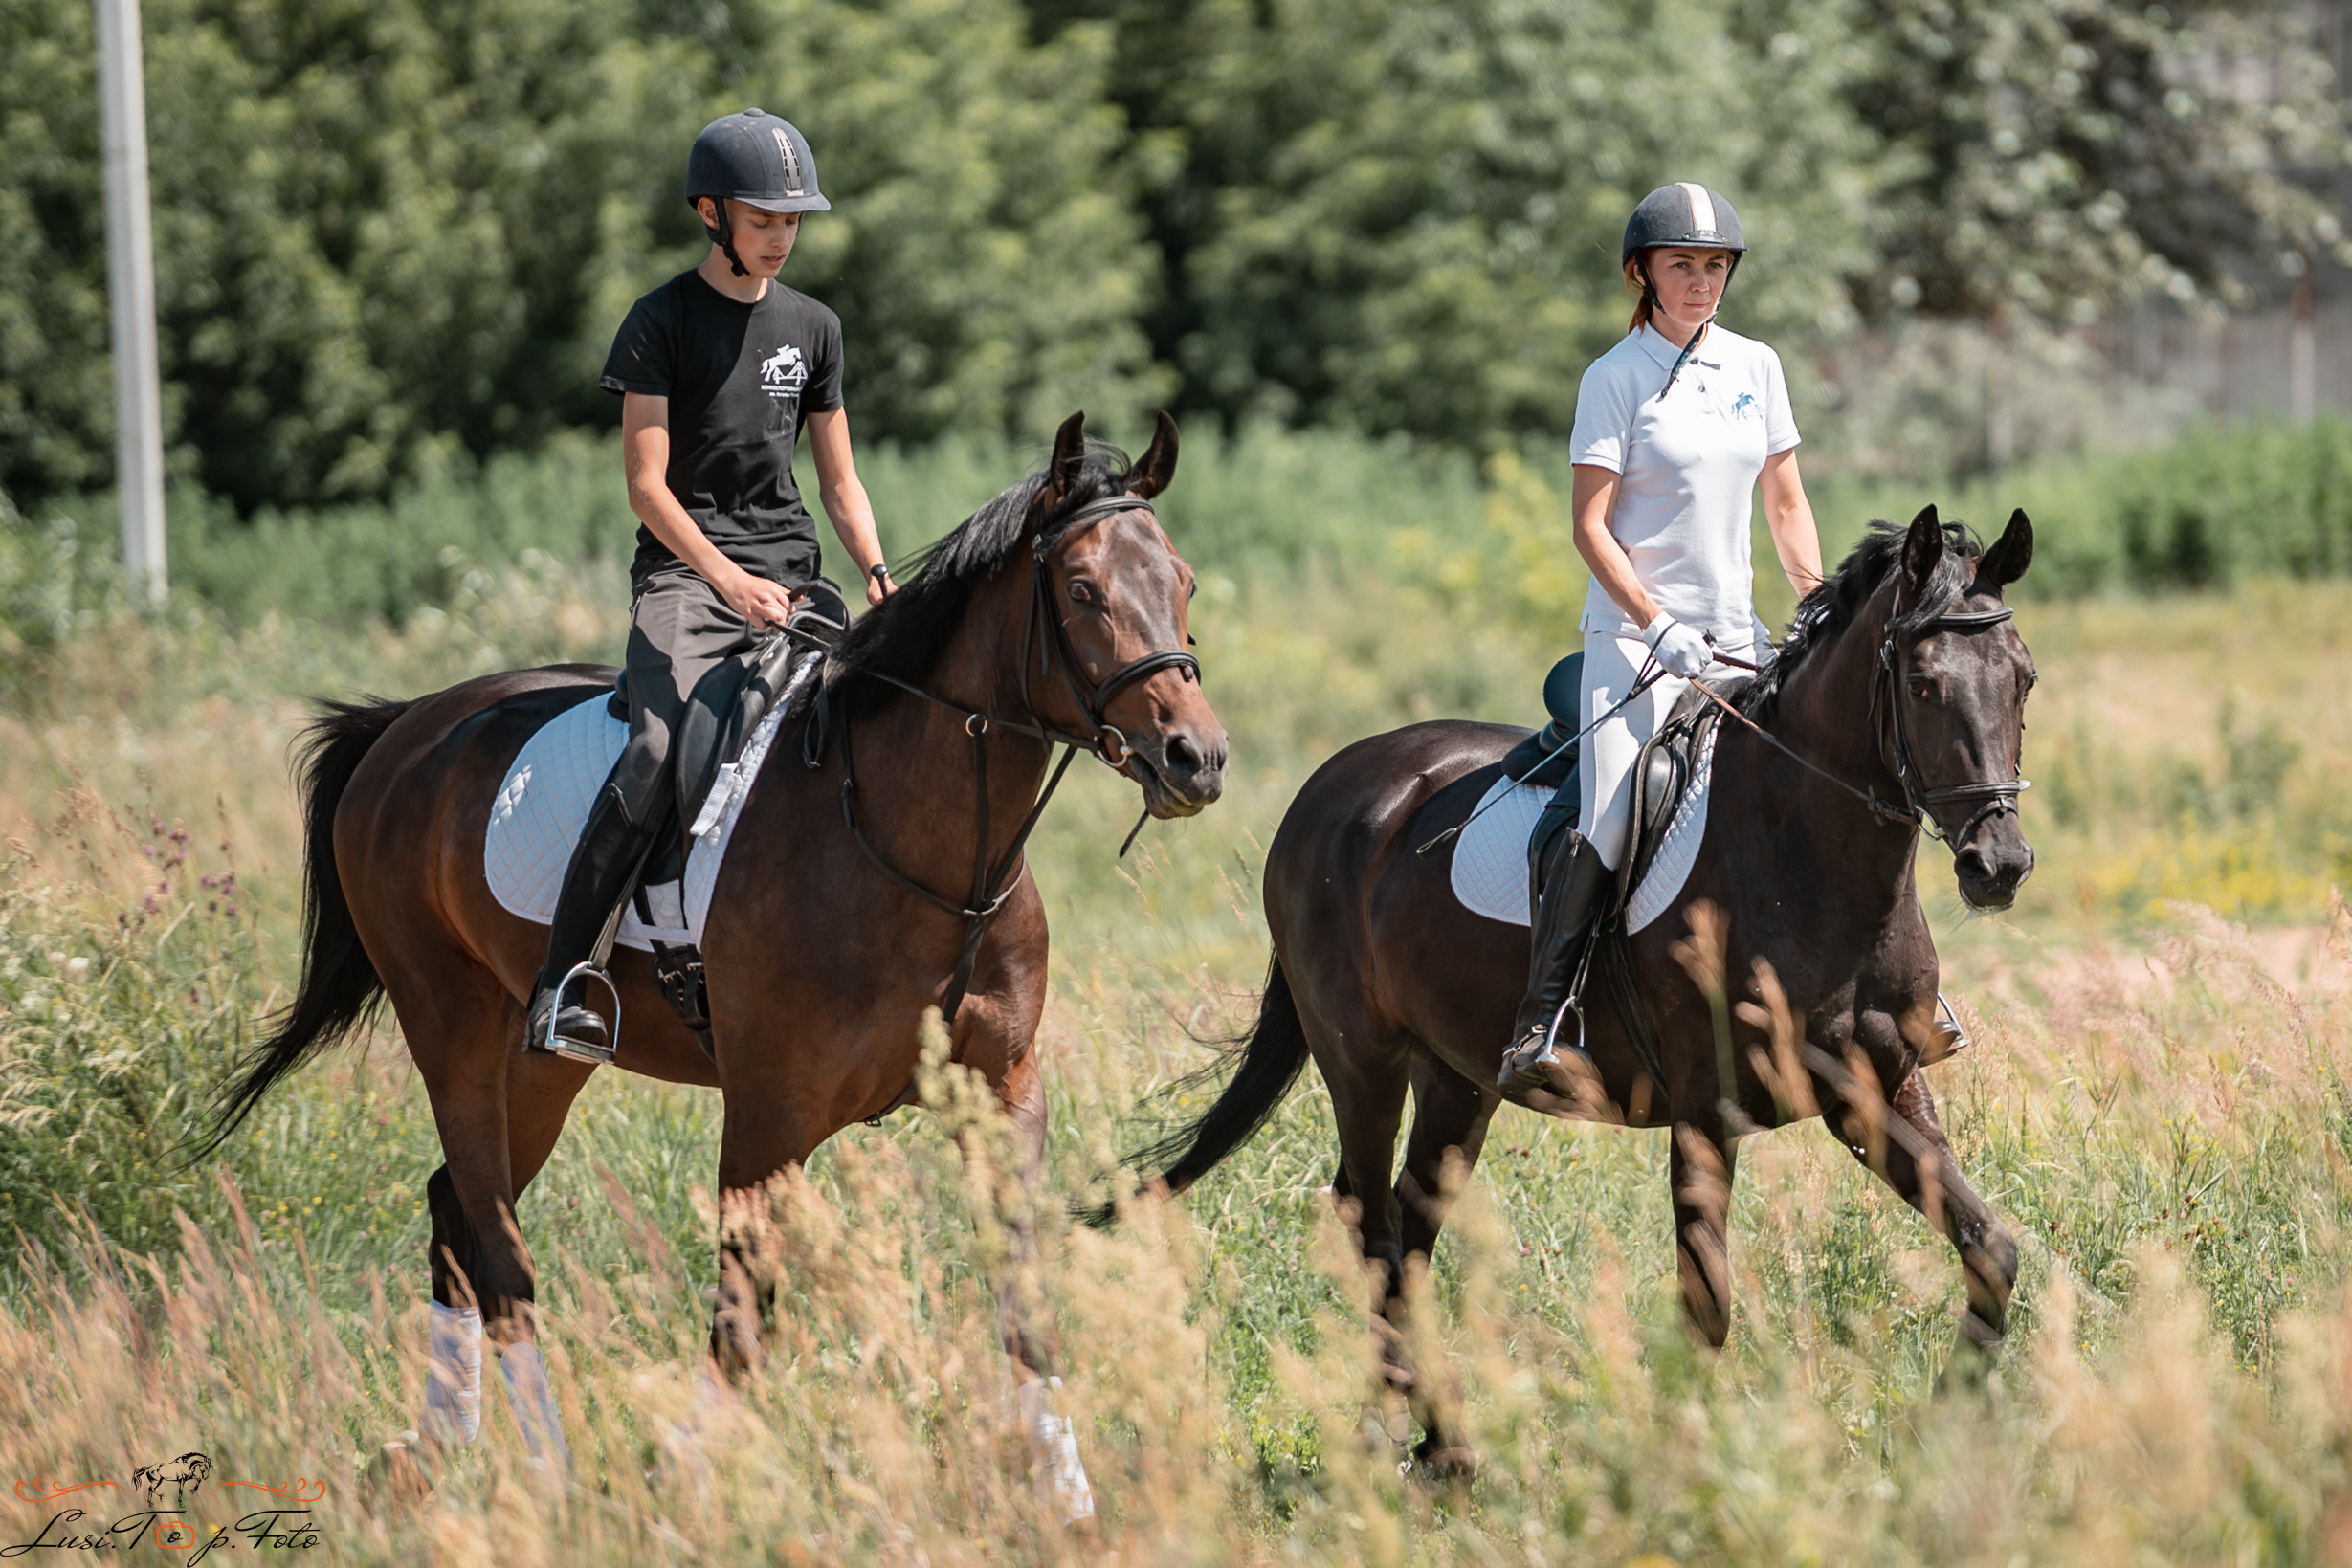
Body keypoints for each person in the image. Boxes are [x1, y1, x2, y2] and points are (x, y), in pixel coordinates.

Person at [526, 109, 896, 1064]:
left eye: (792, 222)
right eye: (764, 218)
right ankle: (568, 974)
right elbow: (646, 486)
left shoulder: (814, 327)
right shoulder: (658, 322)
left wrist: (878, 575)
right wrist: (727, 580)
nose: (781, 235)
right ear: (710, 214)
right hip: (688, 580)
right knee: (656, 743)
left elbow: (839, 479)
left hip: (793, 574)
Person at [1497, 182, 1825, 1106]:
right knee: (1609, 811)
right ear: (1642, 272)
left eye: (1715, 265)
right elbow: (1591, 528)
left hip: (1741, 645)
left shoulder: (1757, 366)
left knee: (1831, 782)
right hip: (1635, 649)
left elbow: (1787, 503)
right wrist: (1658, 621)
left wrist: (1818, 603)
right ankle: (1545, 1015)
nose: (1701, 281)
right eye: (1682, 264)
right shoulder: (1615, 377)